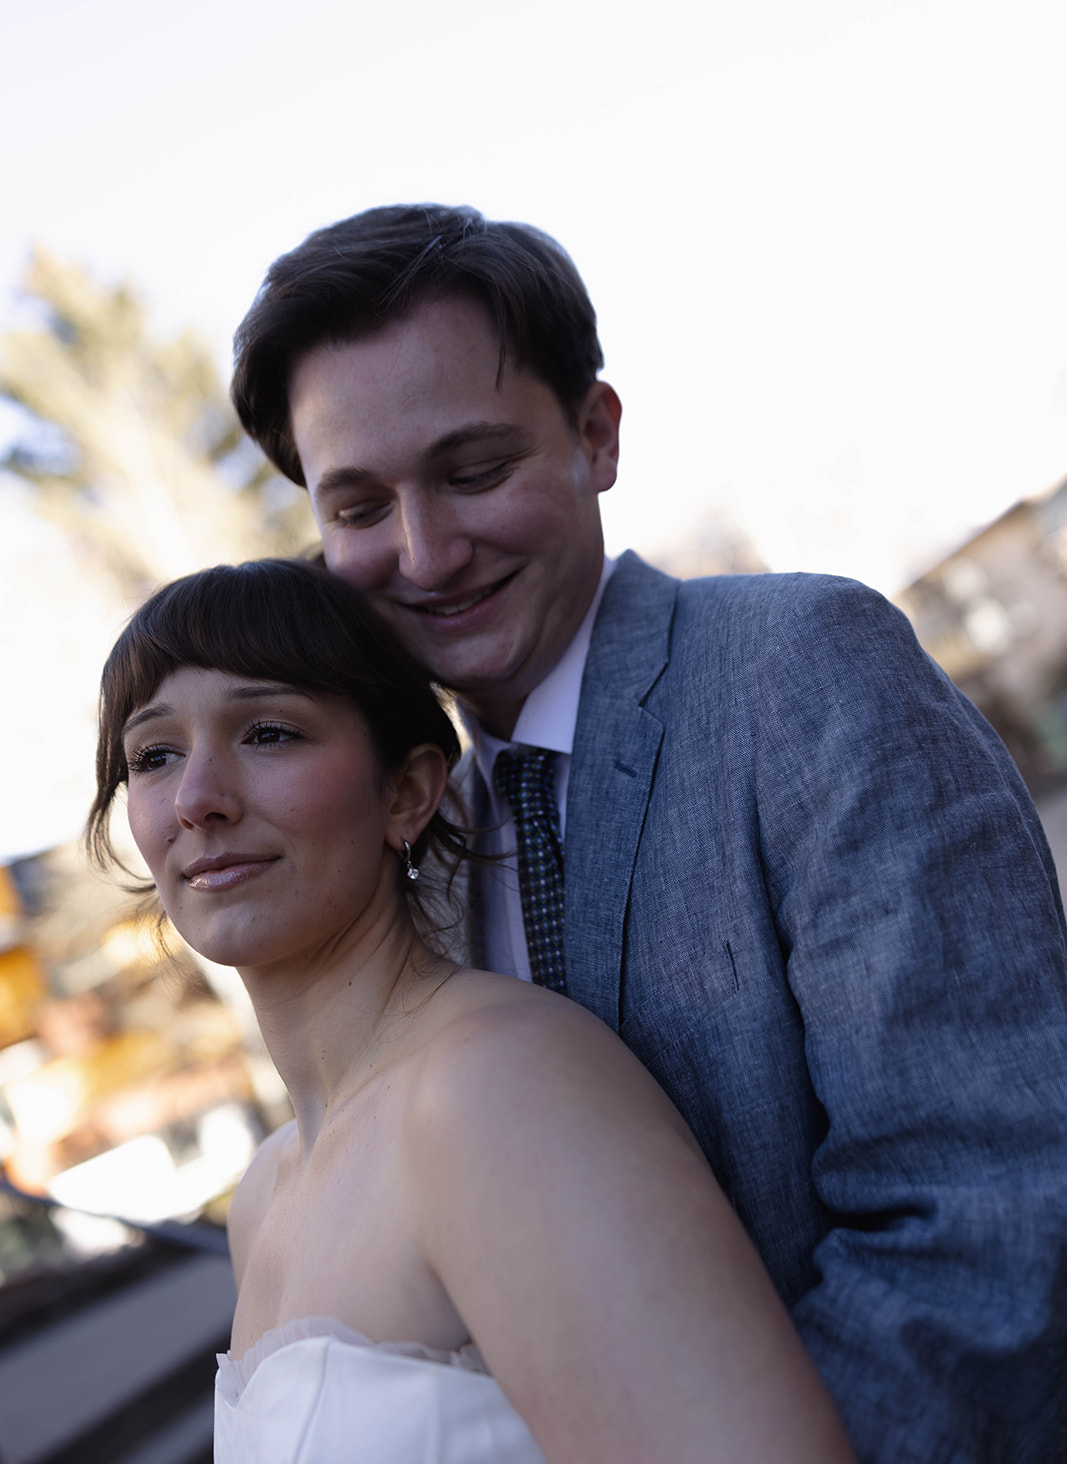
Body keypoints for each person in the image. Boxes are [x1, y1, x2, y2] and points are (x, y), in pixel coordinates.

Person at [231, 203, 1067, 1462]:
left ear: (595, 433)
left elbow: (987, 1216)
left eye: (473, 471)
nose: (424, 550)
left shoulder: (802, 673)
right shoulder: (422, 845)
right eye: (358, 505)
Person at [89, 557, 855, 1464]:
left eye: (267, 732)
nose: (198, 800)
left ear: (408, 792)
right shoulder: (264, 1196)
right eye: (155, 755)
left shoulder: (495, 1089)